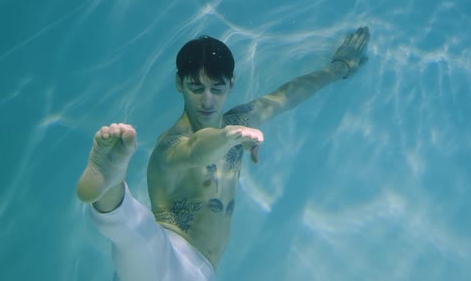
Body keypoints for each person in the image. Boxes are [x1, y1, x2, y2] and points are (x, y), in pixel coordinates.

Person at [76, 27, 370, 281]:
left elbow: (288, 95)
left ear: (231, 84)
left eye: (217, 88)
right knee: (136, 237)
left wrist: (339, 68)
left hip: (200, 273)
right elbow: (196, 151)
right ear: (180, 84)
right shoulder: (172, 144)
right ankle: (110, 184)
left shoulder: (240, 122)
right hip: (166, 255)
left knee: (137, 244)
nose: (207, 99)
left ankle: (112, 190)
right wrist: (229, 138)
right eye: (196, 87)